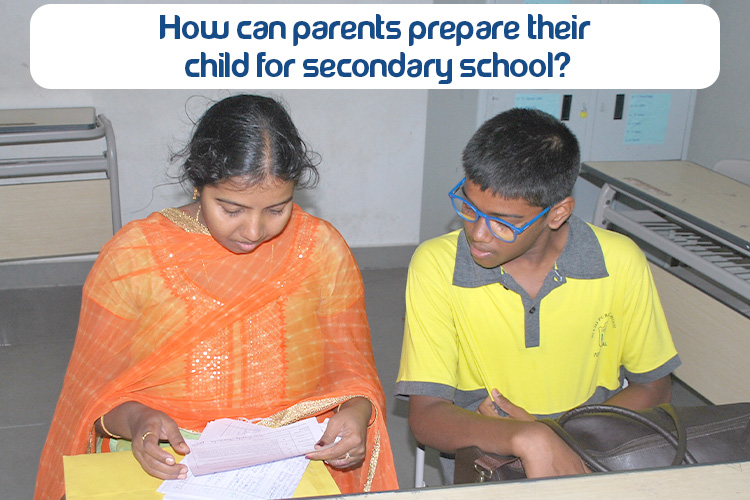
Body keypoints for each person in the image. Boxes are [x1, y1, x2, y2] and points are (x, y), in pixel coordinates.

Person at [35, 94, 398, 499]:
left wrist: (355, 412)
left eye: (277, 209)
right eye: (232, 208)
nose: (253, 231)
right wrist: (138, 421)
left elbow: (352, 373)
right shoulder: (135, 257)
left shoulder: (320, 250)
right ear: (199, 183)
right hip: (170, 464)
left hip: (291, 461)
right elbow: (92, 397)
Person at [395, 108, 680, 482]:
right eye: (469, 207)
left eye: (504, 222)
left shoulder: (618, 260)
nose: (478, 233)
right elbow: (427, 416)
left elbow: (655, 385)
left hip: (593, 448)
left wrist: (556, 436)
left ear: (557, 213)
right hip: (488, 454)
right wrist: (527, 437)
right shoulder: (436, 265)